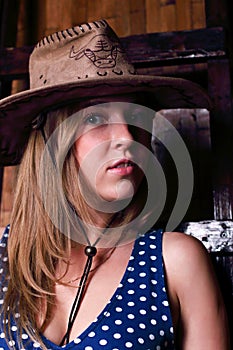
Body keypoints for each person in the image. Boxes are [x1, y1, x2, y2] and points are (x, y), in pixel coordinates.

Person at [0, 19, 230, 350]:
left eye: (135, 117)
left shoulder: (174, 262)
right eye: (94, 119)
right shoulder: (4, 258)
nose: (126, 138)